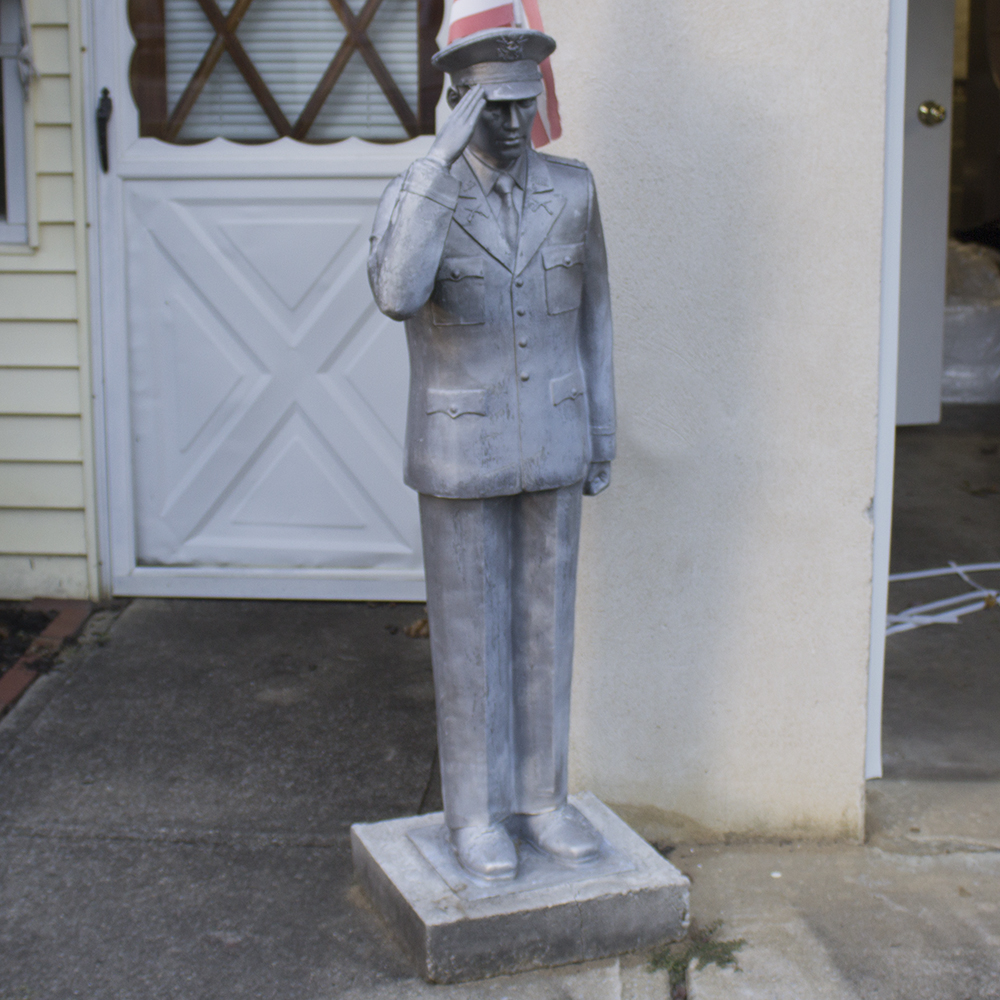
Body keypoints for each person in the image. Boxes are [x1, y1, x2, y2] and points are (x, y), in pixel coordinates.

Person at [368, 27, 615, 881]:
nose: (513, 124)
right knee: (471, 640)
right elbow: (397, 292)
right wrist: (433, 167)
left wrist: (602, 431)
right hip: (460, 445)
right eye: (492, 106)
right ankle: (475, 815)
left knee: (546, 631)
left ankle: (542, 802)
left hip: (554, 433)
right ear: (457, 103)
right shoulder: (419, 194)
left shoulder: (573, 190)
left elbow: (595, 320)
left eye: (525, 103)